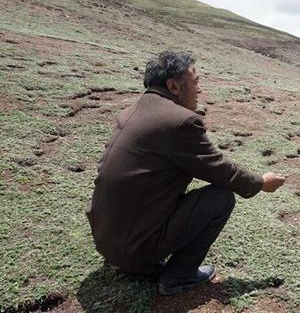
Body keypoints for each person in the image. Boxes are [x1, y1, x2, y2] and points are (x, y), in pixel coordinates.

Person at [86, 50, 286, 295]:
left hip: (106, 241)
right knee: (220, 198)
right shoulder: (179, 121)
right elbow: (220, 169)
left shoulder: (130, 112)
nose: (199, 90)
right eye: (196, 82)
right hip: (132, 247)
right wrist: (260, 182)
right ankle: (178, 276)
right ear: (174, 86)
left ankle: (141, 260)